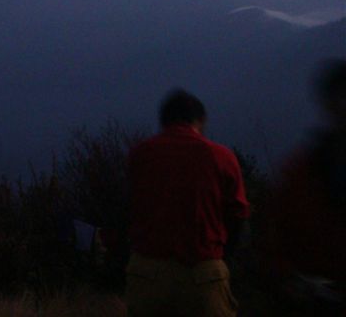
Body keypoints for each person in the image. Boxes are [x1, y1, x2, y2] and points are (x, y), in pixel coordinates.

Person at [125, 89, 250, 317]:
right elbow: (239, 215)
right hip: (203, 275)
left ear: (164, 121)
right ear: (199, 121)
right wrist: (222, 257)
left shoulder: (140, 155)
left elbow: (130, 208)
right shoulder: (221, 156)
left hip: (148, 274)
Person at [268, 60, 345, 313]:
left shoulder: (299, 170)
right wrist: (288, 279)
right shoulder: (300, 171)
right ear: (329, 105)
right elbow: (279, 237)